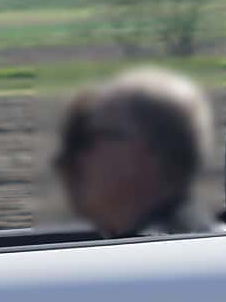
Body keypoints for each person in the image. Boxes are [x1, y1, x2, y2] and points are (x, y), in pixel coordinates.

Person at [55, 67, 217, 238]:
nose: (75, 158)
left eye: (88, 138)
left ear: (148, 153)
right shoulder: (191, 238)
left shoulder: (152, 255)